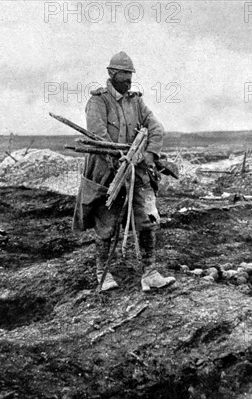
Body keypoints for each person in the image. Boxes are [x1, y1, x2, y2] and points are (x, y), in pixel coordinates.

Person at [73, 51, 176, 292]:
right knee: (106, 222)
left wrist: (148, 156)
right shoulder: (98, 102)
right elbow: (99, 135)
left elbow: (156, 128)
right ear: (111, 73)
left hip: (137, 170)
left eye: (130, 74)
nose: (128, 79)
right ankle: (103, 273)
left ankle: (149, 272)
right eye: (124, 74)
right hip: (108, 172)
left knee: (149, 218)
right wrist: (119, 158)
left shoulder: (136, 101)